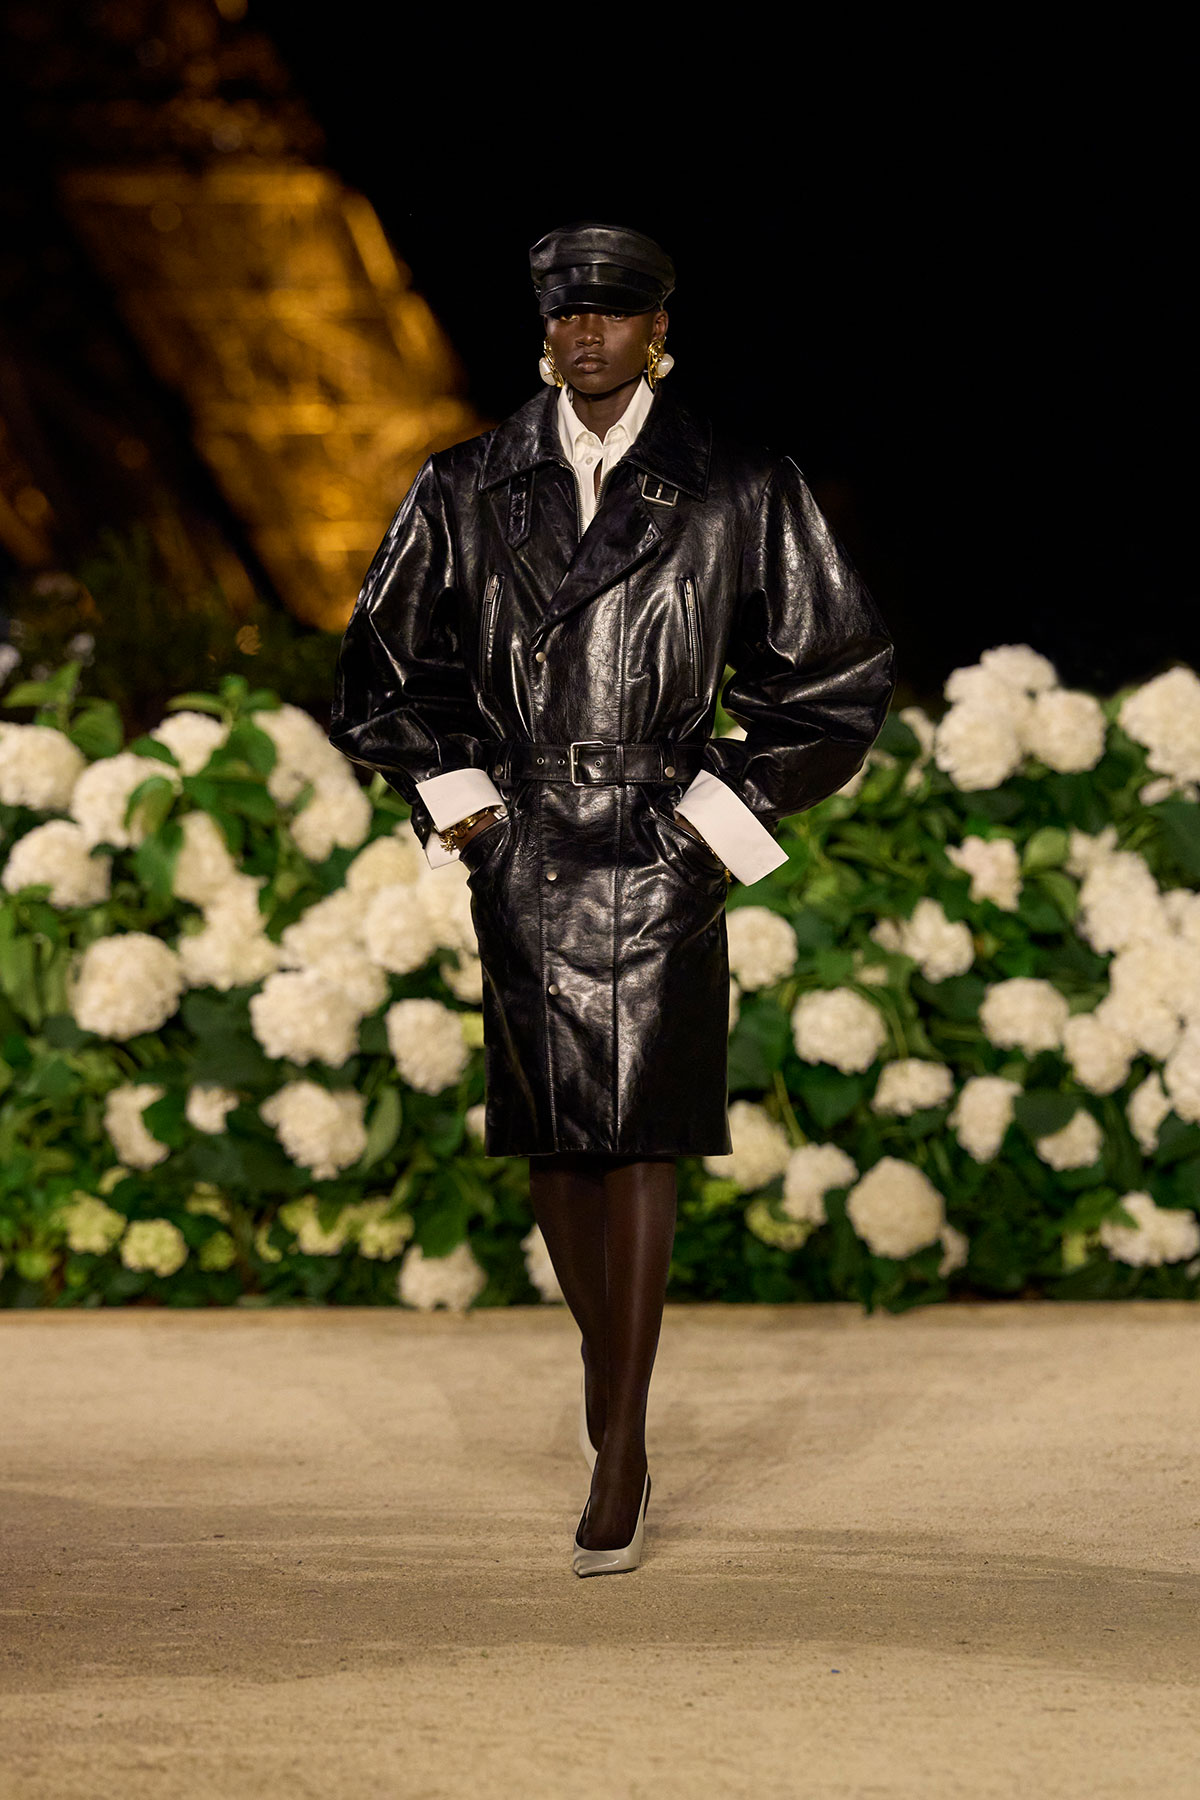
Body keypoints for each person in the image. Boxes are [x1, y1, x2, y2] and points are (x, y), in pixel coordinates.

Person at [329, 222, 895, 1576]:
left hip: (661, 843)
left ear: (658, 332)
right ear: (545, 330)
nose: (589, 333)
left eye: (616, 312)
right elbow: (378, 673)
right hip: (524, 842)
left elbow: (838, 677)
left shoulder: (739, 485)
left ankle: (622, 1447)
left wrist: (716, 825)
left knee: (642, 1131)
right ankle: (614, 1390)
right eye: (568, 313)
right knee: (555, 1137)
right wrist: (465, 808)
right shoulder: (465, 484)